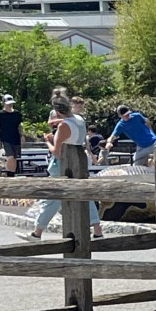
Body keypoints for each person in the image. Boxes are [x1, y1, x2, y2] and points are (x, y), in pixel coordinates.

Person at [30, 88, 100, 238]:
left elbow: (56, 151)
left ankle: (37, 232)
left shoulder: (63, 126)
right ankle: (97, 229)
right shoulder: (80, 120)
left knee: (51, 198)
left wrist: (48, 141)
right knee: (85, 194)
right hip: (79, 160)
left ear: (57, 111)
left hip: (62, 164)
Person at [105, 103, 156, 167]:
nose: (128, 116)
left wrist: (151, 131)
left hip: (153, 143)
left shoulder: (137, 116)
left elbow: (147, 121)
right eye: (125, 115)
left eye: (128, 114)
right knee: (137, 166)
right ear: (120, 116)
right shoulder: (121, 125)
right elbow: (112, 136)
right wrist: (109, 143)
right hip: (141, 147)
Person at [0, 94, 22, 176]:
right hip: (5, 138)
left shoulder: (17, 114)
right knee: (10, 157)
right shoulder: (0, 114)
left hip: (16, 138)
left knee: (15, 158)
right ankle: (8, 173)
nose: (10, 104)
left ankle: (12, 173)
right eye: (8, 103)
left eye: (11, 103)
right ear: (4, 103)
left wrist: (22, 136)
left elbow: (19, 126)